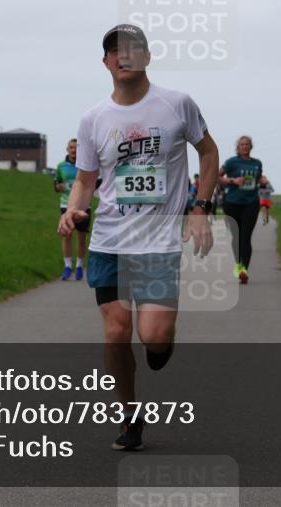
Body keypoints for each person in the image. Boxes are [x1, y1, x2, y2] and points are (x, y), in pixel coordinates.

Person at [58, 23, 218, 451]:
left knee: (154, 337)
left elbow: (208, 152)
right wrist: (73, 208)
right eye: (115, 50)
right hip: (109, 241)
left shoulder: (177, 105)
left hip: (158, 244)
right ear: (106, 62)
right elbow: (86, 179)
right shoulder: (94, 119)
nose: (123, 56)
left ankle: (161, 345)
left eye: (133, 49)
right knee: (116, 332)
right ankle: (130, 418)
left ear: (147, 57)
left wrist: (200, 208)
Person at [219, 136, 266, 284]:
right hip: (232, 203)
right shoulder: (231, 162)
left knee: (245, 237)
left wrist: (262, 181)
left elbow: (258, 179)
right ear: (238, 147)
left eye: (247, 144)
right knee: (236, 236)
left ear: (251, 146)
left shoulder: (257, 163)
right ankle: (238, 264)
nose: (245, 146)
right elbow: (217, 176)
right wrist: (233, 180)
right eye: (242, 144)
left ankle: (243, 270)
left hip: (251, 203)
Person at [55, 138, 91, 280]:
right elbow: (56, 183)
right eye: (71, 147)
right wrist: (58, 187)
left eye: (76, 148)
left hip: (84, 206)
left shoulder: (85, 165)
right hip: (66, 205)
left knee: (81, 237)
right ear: (67, 149)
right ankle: (67, 266)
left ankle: (79, 267)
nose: (74, 150)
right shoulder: (61, 166)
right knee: (67, 235)